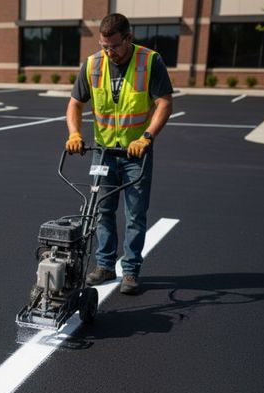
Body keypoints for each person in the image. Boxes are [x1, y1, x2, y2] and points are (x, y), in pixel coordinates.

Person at [65, 13, 173, 294]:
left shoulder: (150, 61)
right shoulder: (92, 64)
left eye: (114, 46)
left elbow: (164, 103)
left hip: (135, 153)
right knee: (102, 211)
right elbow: (75, 103)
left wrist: (146, 137)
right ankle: (104, 265)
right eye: (104, 46)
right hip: (103, 152)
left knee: (135, 213)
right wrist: (75, 134)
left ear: (129, 37)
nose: (109, 52)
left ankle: (131, 271)